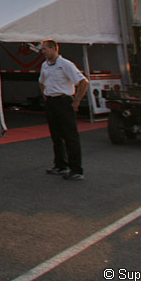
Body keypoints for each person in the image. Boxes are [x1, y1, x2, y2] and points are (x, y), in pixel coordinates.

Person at [38, 39, 89, 180]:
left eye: (45, 49)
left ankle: (76, 169)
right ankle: (60, 164)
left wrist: (77, 100)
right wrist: (46, 96)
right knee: (56, 135)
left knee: (70, 136)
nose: (43, 52)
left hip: (64, 101)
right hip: (51, 101)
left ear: (54, 49)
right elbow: (41, 82)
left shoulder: (66, 65)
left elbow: (83, 82)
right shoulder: (45, 65)